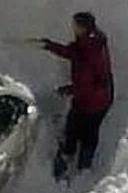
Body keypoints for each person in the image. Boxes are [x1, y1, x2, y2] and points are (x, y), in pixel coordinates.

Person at [39, 11, 114, 180]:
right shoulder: (90, 41)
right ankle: (73, 156)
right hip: (95, 96)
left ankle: (81, 165)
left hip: (95, 101)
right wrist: (51, 46)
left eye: (75, 25)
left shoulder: (91, 51)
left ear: (83, 27)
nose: (72, 28)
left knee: (85, 131)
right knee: (77, 127)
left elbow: (85, 85)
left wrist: (67, 90)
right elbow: (74, 53)